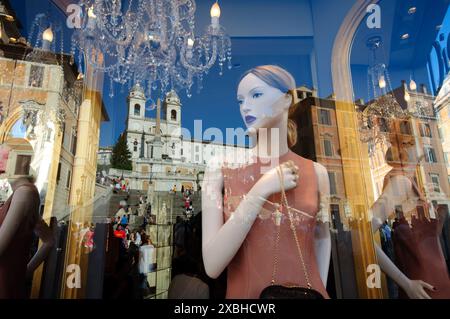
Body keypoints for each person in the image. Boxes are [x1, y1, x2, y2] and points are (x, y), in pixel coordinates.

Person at [201, 65, 331, 298]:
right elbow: (212, 265)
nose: (245, 106)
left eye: (256, 94)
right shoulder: (220, 169)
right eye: (240, 101)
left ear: (285, 100)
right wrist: (259, 191)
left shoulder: (317, 173)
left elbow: (322, 239)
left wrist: (318, 288)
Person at [370, 126, 450, 299]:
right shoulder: (401, 182)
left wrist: (441, 212)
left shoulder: (413, 182)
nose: (426, 139)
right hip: (423, 286)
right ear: (406, 146)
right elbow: (362, 234)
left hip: (438, 281)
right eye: (416, 138)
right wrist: (405, 283)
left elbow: (428, 240)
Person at [0, 173, 55, 298]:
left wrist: (25, 272)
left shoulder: (24, 194)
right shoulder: (24, 195)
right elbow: (49, 241)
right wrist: (25, 272)